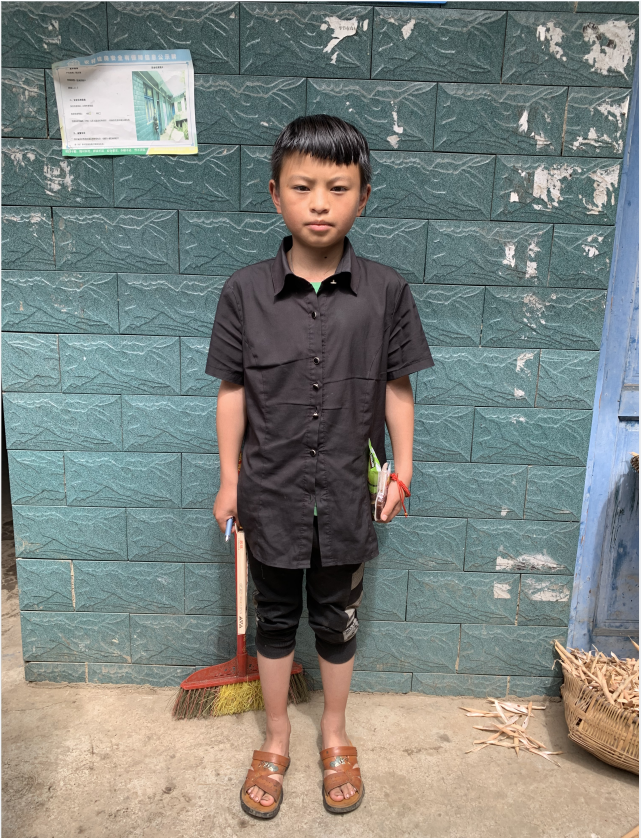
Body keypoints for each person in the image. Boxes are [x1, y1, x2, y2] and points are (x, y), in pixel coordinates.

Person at [205, 115, 434, 818]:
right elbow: (232, 392)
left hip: (346, 494)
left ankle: (334, 733)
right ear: (275, 194)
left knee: (336, 619)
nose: (319, 203)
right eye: (302, 187)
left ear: (363, 197)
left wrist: (402, 468)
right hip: (269, 492)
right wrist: (229, 480)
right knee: (275, 618)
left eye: (338, 187)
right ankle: (276, 737)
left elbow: (397, 386)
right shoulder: (244, 292)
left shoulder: (386, 292)